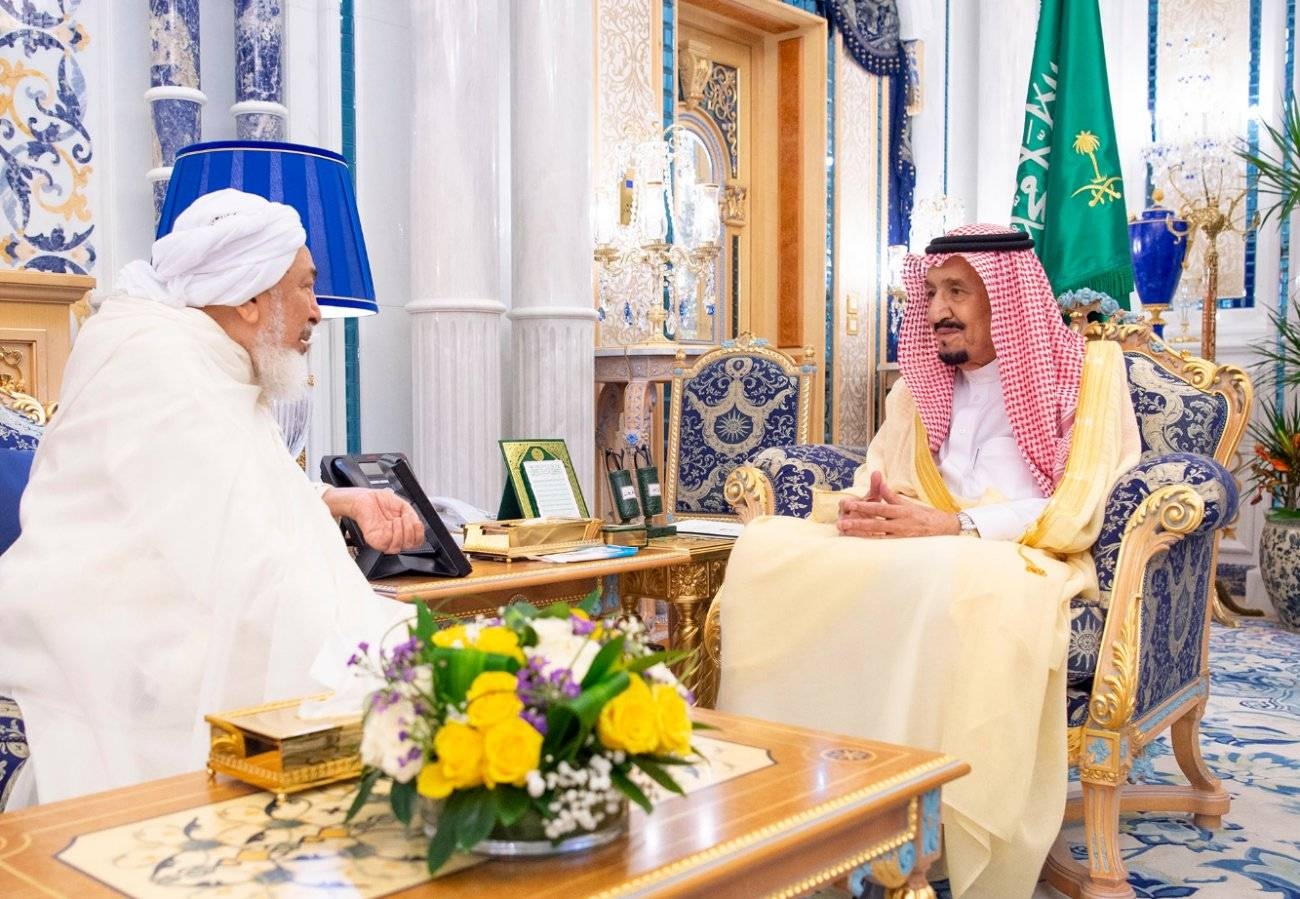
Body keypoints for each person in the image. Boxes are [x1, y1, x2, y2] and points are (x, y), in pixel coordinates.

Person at [715, 224, 1140, 899]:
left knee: (945, 576)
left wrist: (958, 524)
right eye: (932, 291)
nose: (936, 309)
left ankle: (916, 813)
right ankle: (789, 794)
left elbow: (1082, 499)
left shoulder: (1087, 374)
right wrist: (872, 505)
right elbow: (880, 473)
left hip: (1018, 553)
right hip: (922, 543)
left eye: (957, 292)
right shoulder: (917, 388)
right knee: (769, 548)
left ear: (1006, 300)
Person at [0, 189, 423, 808]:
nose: (317, 311)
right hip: (119, 631)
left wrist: (339, 501)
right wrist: (364, 649)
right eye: (305, 287)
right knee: (381, 677)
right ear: (249, 297)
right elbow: (239, 558)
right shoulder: (161, 368)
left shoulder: (205, 358)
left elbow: (224, 492)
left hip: (173, 600)